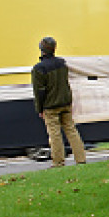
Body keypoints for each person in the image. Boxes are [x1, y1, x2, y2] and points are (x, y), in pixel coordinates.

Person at [32, 36, 88, 167]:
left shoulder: (39, 69)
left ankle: (58, 162)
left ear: (41, 50)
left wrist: (39, 109)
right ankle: (81, 159)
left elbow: (39, 91)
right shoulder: (62, 63)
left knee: (55, 134)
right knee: (71, 130)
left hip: (50, 106)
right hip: (66, 103)